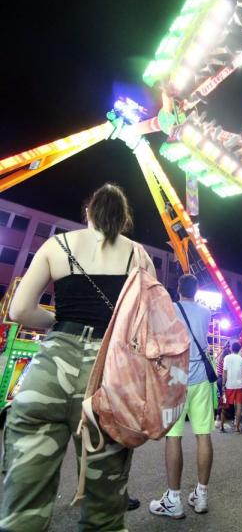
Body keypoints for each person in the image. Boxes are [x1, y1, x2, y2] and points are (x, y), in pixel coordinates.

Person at [0, 183, 156, 532]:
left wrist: (59, 323)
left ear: (88, 212)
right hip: (106, 380)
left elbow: (19, 310)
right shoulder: (139, 256)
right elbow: (146, 322)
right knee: (104, 517)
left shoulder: (56, 245)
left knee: (21, 512)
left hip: (48, 374)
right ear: (124, 220)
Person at [149, 274, 213, 519]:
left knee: (174, 436)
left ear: (178, 289)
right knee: (203, 435)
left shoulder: (171, 309)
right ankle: (202, 495)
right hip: (201, 378)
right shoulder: (206, 312)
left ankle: (173, 499)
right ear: (196, 290)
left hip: (176, 377)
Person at [222, 341, 242, 433]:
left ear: (231, 349)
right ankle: (237, 427)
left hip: (229, 385)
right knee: (239, 405)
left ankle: (222, 426)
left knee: (225, 405)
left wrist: (223, 384)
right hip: (239, 385)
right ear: (239, 349)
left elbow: (225, 372)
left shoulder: (227, 358)